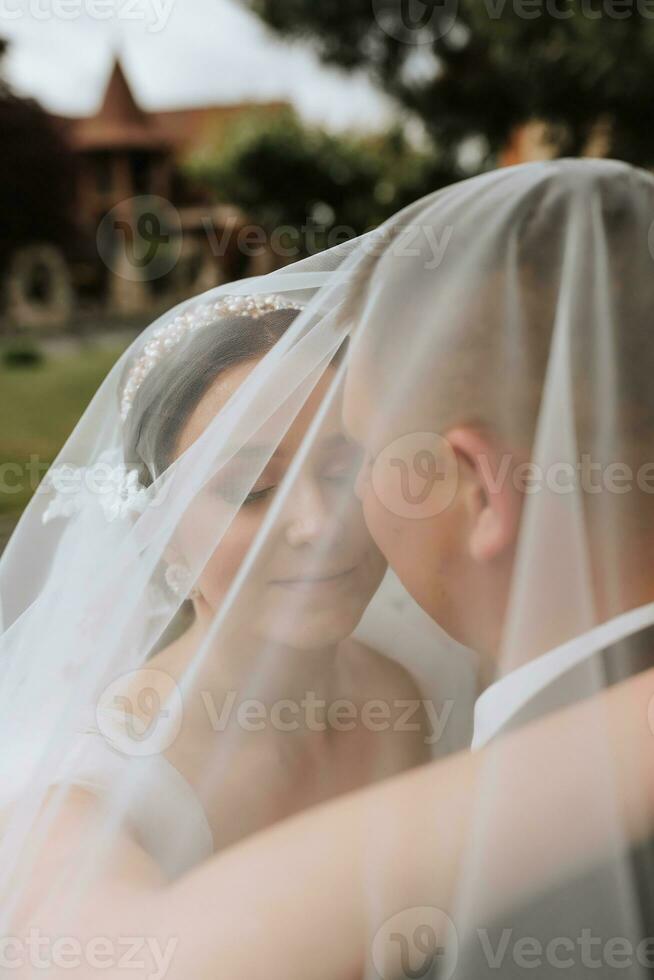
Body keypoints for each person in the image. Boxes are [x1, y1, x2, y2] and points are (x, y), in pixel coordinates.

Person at [3, 158, 654, 980]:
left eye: (347, 470)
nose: (317, 525)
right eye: (251, 490)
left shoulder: (447, 667)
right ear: (155, 531)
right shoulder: (81, 783)